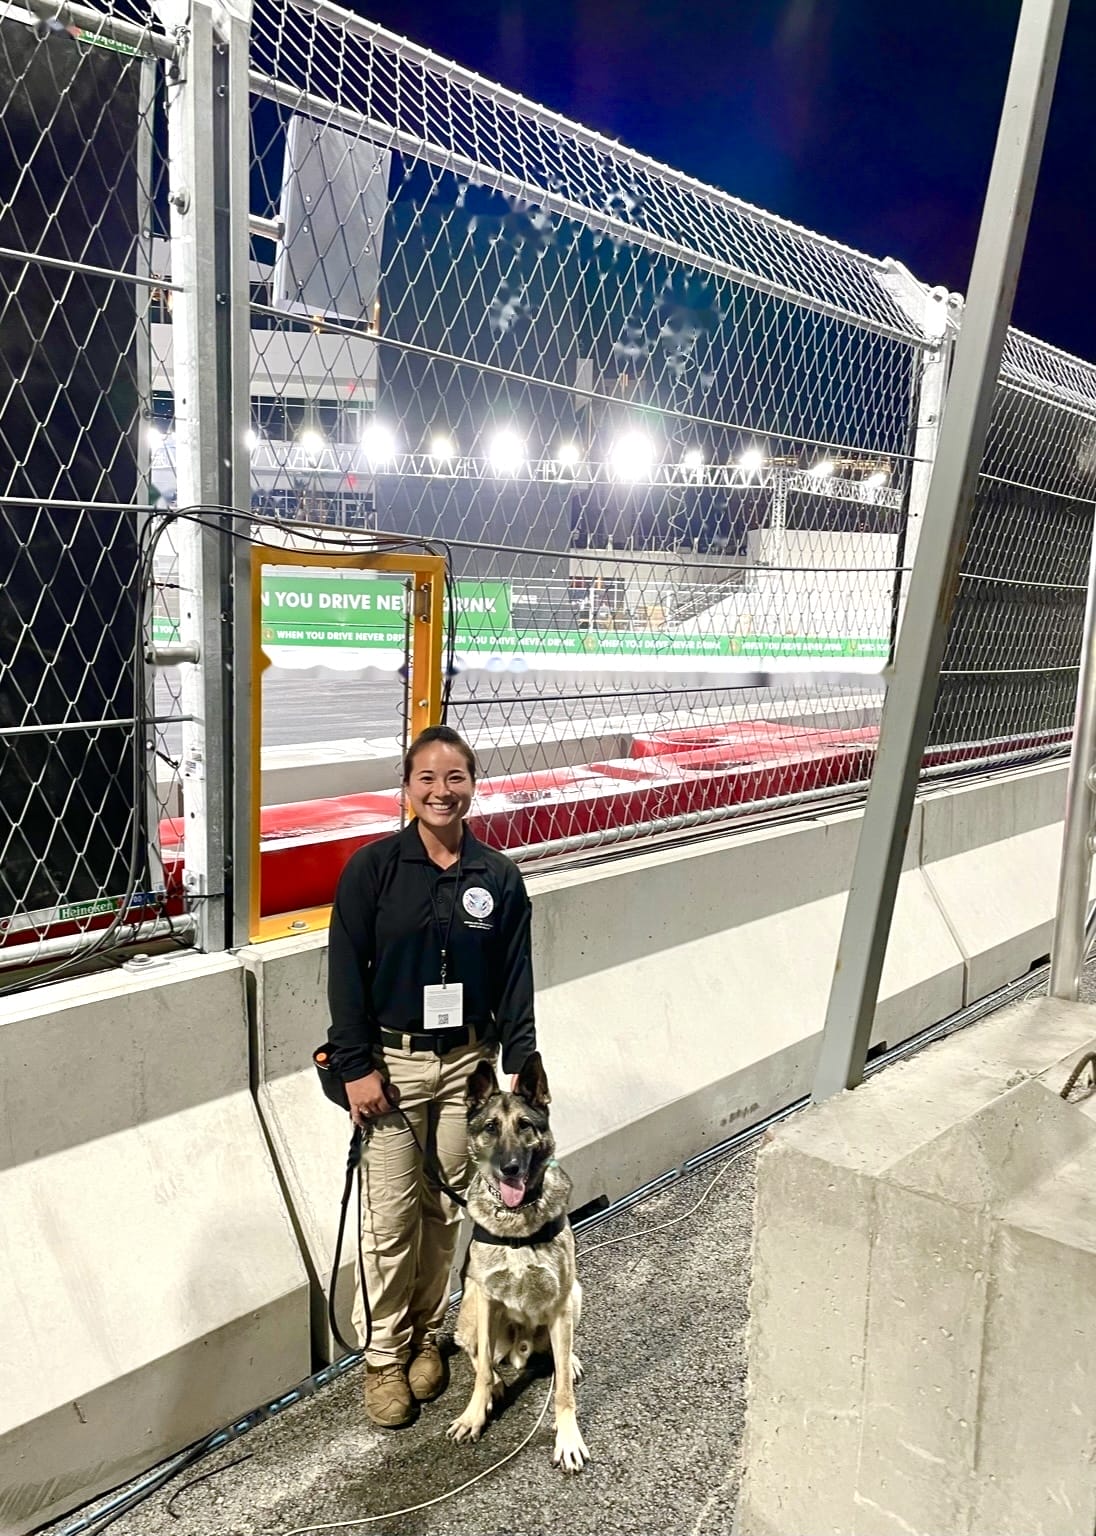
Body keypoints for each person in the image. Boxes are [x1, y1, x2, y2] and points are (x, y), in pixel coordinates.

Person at [326, 724, 536, 1427]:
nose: (442, 791)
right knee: (389, 1217)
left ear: (473, 785)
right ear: (408, 788)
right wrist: (356, 1067)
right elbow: (344, 974)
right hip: (392, 1067)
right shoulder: (374, 870)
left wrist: (519, 1064)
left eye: (455, 778)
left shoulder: (497, 877)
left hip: (469, 1068)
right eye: (428, 779)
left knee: (444, 1211)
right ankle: (383, 1356)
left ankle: (424, 1335)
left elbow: (515, 977)